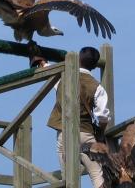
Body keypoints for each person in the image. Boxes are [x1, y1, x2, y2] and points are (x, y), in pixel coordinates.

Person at [45, 46, 111, 188]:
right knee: (97, 175)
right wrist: (100, 132)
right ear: (94, 66)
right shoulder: (97, 87)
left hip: (65, 134)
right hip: (86, 134)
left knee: (68, 178)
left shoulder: (62, 78)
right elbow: (103, 117)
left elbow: (46, 69)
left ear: (78, 58)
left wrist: (40, 61)